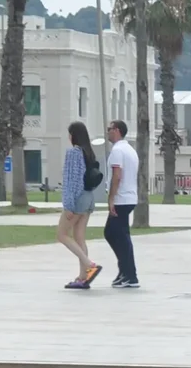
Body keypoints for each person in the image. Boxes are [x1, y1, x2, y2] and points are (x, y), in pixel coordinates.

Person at [55, 120, 103, 290]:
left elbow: (71, 180)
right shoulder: (88, 152)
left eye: (69, 133)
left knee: (62, 234)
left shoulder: (74, 153)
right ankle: (83, 278)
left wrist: (68, 205)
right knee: (79, 236)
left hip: (77, 198)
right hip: (89, 197)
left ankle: (89, 264)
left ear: (73, 135)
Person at [101, 119, 141, 289]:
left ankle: (130, 275)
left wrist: (111, 199)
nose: (107, 132)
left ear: (116, 130)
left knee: (116, 235)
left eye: (109, 129)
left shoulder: (118, 151)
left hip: (121, 199)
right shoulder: (129, 150)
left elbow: (117, 176)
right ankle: (124, 271)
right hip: (129, 197)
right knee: (114, 234)